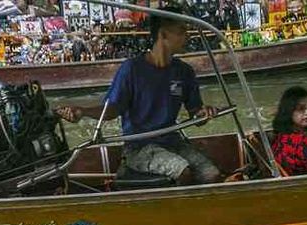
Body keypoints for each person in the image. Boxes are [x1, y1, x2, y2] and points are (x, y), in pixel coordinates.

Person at [56, 14, 220, 185]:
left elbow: (196, 113)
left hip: (172, 141)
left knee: (212, 174)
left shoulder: (184, 72)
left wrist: (204, 113)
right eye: (181, 31)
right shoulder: (132, 70)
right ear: (162, 35)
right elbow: (113, 109)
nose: (188, 35)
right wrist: (83, 111)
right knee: (183, 172)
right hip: (139, 148)